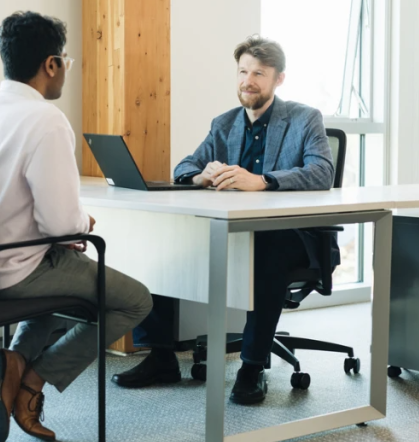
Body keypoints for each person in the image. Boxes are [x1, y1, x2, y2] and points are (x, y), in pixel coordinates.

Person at [0, 11, 152, 442]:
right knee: (135, 302)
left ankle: (13, 362)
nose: (66, 72)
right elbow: (60, 222)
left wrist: (66, 231)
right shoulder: (46, 120)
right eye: (67, 63)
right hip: (17, 269)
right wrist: (81, 225)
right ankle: (31, 382)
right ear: (51, 64)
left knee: (58, 275)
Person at [112, 35, 337, 405]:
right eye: (243, 72)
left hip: (291, 235)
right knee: (163, 239)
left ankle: (252, 366)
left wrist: (263, 181)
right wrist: (201, 176)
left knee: (266, 249)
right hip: (233, 231)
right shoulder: (225, 123)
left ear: (278, 79)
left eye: (259, 74)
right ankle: (161, 356)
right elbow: (184, 166)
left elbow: (322, 172)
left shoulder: (303, 118)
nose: (248, 81)